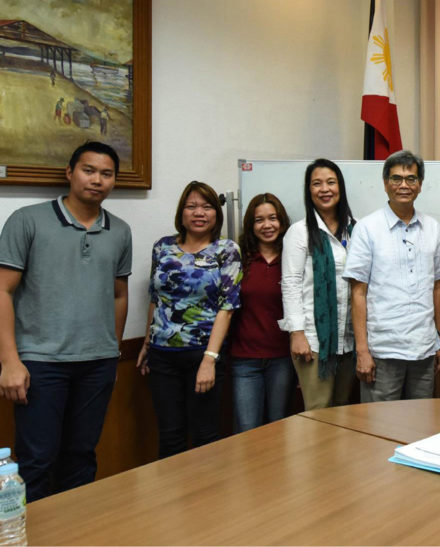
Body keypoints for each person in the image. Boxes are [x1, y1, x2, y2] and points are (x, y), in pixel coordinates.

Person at [0, 142, 131, 502]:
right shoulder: (27, 220)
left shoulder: (120, 231)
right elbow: (3, 291)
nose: (97, 180)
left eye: (106, 174)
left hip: (97, 364)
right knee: (37, 461)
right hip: (40, 363)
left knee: (81, 458)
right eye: (89, 170)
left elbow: (120, 295)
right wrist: (10, 361)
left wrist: (113, 352)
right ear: (69, 173)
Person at [138, 181, 241, 458]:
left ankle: (206, 499)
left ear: (216, 214)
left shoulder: (226, 250)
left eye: (207, 207)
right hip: (162, 355)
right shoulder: (163, 247)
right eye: (192, 206)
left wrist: (209, 359)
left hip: (202, 353)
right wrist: (147, 342)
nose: (200, 213)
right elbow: (155, 297)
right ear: (181, 212)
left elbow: (227, 307)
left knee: (205, 434)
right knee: (170, 436)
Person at [344, 150, 440, 402]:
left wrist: (439, 338)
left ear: (420, 185)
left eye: (411, 179)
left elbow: (436, 286)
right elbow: (358, 293)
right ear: (385, 184)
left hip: (424, 350)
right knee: (379, 429)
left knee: (420, 427)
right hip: (383, 351)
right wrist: (362, 351)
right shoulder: (367, 228)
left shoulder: (433, 228)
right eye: (396, 178)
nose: (404, 185)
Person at [281, 160, 357, 410]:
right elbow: (290, 284)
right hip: (314, 341)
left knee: (343, 409)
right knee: (318, 411)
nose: (325, 189)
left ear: (340, 187)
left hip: (349, 339)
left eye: (331, 182)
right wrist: (297, 333)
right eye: (317, 183)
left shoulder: (355, 231)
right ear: (309, 190)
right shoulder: (299, 232)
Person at [230, 193, 295, 432]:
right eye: (259, 220)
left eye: (273, 218)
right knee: (247, 430)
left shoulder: (293, 259)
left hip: (282, 359)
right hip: (244, 360)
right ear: (250, 225)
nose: (267, 225)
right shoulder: (238, 260)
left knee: (278, 427)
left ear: (282, 221)